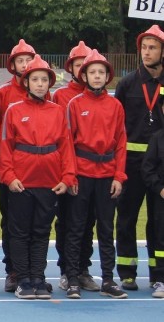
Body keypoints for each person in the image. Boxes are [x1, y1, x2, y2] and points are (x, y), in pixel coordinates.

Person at [0, 54, 76, 300]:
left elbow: (65, 146)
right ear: (27, 82)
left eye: (44, 79)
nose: (40, 84)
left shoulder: (58, 111)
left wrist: (68, 177)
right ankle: (23, 280)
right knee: (20, 232)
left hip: (49, 182)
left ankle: (38, 278)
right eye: (35, 79)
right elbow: (5, 146)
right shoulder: (13, 110)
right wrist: (9, 176)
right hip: (21, 182)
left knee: (42, 232)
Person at [65, 50, 128, 299]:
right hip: (82, 174)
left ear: (107, 77)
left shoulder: (115, 106)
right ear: (85, 76)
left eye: (101, 72)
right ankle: (72, 278)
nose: (97, 76)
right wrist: (71, 176)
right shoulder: (75, 104)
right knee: (76, 227)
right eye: (92, 72)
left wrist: (119, 176)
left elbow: (121, 142)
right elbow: (67, 143)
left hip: (107, 175)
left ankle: (109, 280)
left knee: (105, 229)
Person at [116, 25, 164, 291]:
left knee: (159, 222)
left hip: (160, 167)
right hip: (131, 164)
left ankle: (159, 274)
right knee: (126, 218)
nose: (147, 52)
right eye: (144, 47)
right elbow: (116, 125)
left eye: (153, 47)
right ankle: (127, 271)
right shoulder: (127, 84)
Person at [0, 38, 40, 292]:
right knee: (9, 221)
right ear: (12, 65)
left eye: (28, 60)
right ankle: (13, 269)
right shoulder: (3, 94)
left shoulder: (44, 90)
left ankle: (33, 270)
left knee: (36, 223)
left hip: (38, 171)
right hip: (11, 168)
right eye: (20, 61)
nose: (24, 65)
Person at [53, 41, 98, 293]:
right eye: (78, 65)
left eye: (86, 66)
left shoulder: (98, 96)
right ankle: (65, 269)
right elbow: (59, 137)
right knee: (67, 222)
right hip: (68, 171)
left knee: (88, 221)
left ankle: (83, 269)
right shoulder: (61, 96)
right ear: (71, 68)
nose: (82, 70)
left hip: (94, 172)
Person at [142, 106, 164, 298]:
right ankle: (161, 279)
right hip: (162, 198)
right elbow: (148, 168)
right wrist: (160, 188)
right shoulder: (157, 138)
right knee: (161, 239)